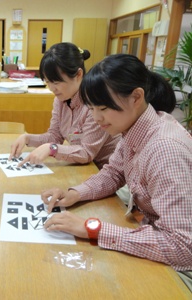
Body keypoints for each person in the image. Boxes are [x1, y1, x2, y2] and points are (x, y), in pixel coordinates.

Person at [42, 54, 192, 286]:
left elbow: (181, 247)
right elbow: (113, 173)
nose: (96, 118)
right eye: (91, 108)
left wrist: (93, 228)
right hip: (151, 234)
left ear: (136, 97)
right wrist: (75, 193)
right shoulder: (135, 127)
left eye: (103, 108)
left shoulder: (165, 150)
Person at [9, 43, 119, 170]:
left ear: (78, 75)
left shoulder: (95, 103)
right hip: (82, 168)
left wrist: (52, 149)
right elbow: (55, 136)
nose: (51, 88)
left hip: (102, 170)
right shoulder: (60, 100)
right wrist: (28, 138)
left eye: (56, 82)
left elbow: (86, 153)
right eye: (48, 82)